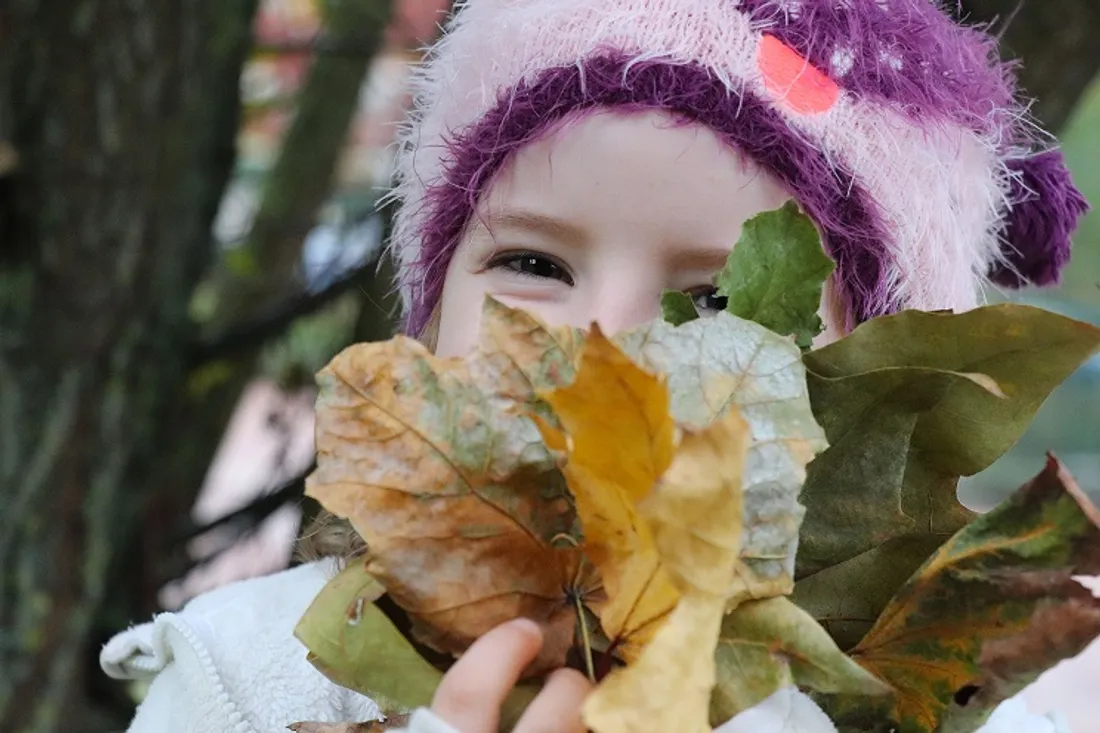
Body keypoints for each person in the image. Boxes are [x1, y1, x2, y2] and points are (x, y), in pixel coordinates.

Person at [100, 1, 1092, 731]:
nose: (602, 343)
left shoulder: (933, 701)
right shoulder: (253, 674)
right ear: (425, 314)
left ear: (874, 398)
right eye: (531, 263)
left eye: (715, 297)